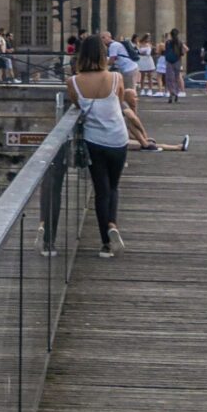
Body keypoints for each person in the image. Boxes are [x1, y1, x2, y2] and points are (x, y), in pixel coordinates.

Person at [66, 32, 149, 257]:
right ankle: (112, 223)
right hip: (117, 138)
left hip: (94, 140)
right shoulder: (116, 78)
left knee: (101, 190)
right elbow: (119, 102)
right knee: (113, 186)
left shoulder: (73, 82)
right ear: (104, 54)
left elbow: (77, 105)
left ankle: (105, 244)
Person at [161, 28, 184, 101]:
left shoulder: (168, 42)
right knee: (177, 78)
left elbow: (165, 51)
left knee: (169, 78)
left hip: (169, 61)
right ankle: (176, 92)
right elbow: (181, 53)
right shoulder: (180, 42)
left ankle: (171, 93)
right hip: (177, 61)